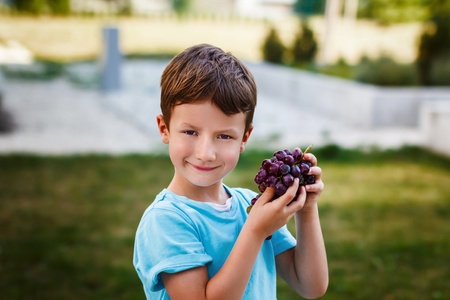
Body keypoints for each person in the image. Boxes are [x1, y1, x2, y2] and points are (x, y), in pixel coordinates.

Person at [133, 43, 328, 299]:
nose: (206, 153)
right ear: (164, 128)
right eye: (190, 132)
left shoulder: (251, 206)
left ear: (245, 138)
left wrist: (306, 209)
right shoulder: (166, 220)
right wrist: (255, 231)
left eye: (224, 136)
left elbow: (311, 286)